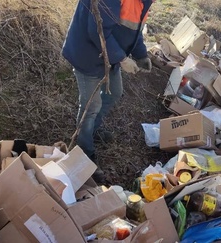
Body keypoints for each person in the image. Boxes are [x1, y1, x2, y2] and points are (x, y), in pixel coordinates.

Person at [62, 0, 153, 182]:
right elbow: (97, 31)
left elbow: (133, 31)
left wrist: (141, 54)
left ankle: (92, 129)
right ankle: (83, 152)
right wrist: (121, 59)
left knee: (115, 92)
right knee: (91, 105)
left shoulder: (143, 1)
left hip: (108, 56)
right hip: (87, 53)